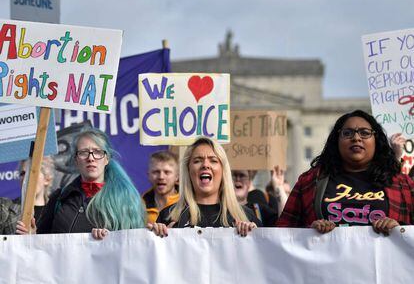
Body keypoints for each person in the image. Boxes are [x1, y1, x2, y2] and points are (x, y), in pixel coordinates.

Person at [277, 110, 414, 235]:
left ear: (376, 140)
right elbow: (283, 233)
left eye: (365, 133)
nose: (356, 138)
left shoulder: (402, 183)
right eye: (347, 133)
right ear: (337, 141)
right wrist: (309, 232)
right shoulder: (310, 181)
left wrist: (400, 230)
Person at [16, 128, 146, 239]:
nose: (91, 158)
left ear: (107, 159)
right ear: (76, 160)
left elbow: (134, 246)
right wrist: (32, 237)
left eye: (97, 152)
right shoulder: (60, 198)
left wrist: (108, 240)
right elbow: (43, 246)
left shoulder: (125, 199)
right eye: (84, 153)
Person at [149, 137, 262, 237]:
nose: (205, 165)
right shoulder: (168, 217)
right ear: (188, 170)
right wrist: (158, 239)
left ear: (223, 170)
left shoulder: (246, 217)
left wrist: (255, 237)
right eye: (198, 161)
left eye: (213, 161)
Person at [143, 151, 179, 223]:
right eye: (156, 172)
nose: (161, 177)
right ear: (148, 175)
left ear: (177, 177)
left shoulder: (187, 204)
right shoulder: (139, 207)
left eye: (167, 172)